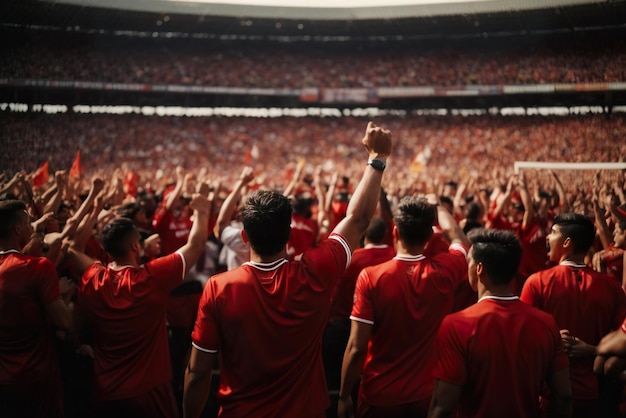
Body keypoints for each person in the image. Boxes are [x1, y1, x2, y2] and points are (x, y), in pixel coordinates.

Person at [183, 121, 393, 418]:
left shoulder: (218, 289)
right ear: (289, 233)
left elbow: (197, 371)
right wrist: (377, 160)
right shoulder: (315, 272)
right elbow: (357, 219)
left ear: (244, 236)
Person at [68, 193, 212, 417]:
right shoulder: (152, 277)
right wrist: (202, 211)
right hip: (150, 391)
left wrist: (94, 211)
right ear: (136, 246)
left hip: (106, 391)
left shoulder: (92, 278)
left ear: (107, 251)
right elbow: (196, 244)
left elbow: (73, 248)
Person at [338, 196, 469, 418]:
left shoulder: (371, 277)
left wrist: (342, 396)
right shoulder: (447, 270)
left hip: (380, 396)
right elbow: (457, 236)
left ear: (395, 232)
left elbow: (357, 347)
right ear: (429, 236)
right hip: (427, 396)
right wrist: (437, 206)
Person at [429, 229, 572, 418]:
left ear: (479, 268)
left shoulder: (456, 325)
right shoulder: (546, 323)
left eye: (469, 262)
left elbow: (443, 407)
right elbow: (563, 396)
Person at [521, 212, 626, 418]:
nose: (547, 238)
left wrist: (550, 341)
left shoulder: (537, 283)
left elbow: (522, 341)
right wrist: (593, 350)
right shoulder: (611, 288)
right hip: (596, 397)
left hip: (549, 396)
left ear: (567, 242)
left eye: (552, 233)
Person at [0, 199, 74, 418]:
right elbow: (66, 323)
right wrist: (62, 293)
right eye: (30, 221)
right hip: (37, 380)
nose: (34, 226)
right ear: (18, 228)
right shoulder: (37, 267)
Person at [323, 215, 395, 391]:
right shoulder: (394, 256)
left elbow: (334, 291)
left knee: (335, 378)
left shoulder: (351, 258)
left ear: (364, 235)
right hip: (382, 326)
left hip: (342, 322)